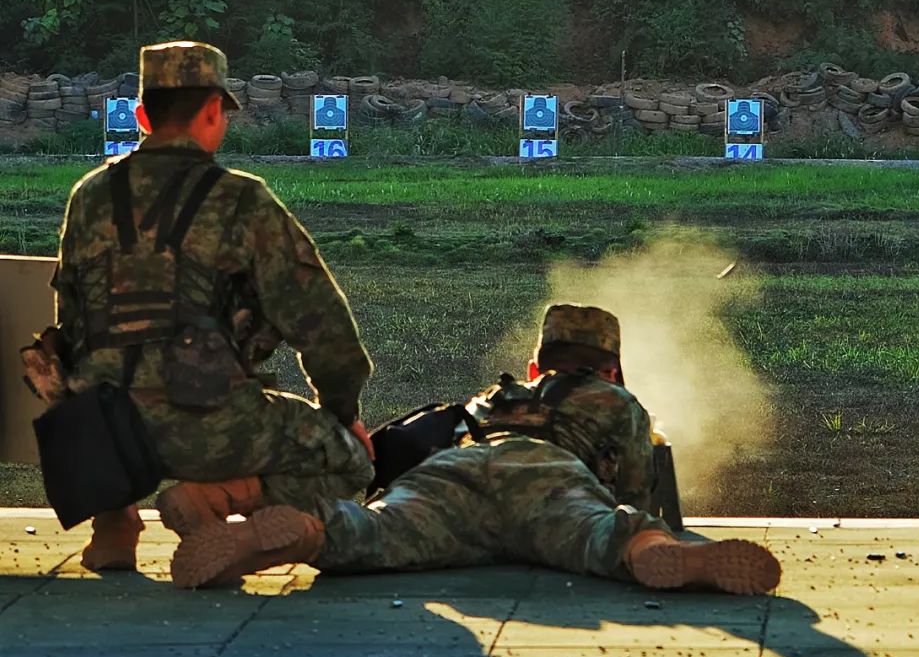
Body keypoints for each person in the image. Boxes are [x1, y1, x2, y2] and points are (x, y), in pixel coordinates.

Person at [170, 303, 781, 597]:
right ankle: (667, 561)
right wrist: (646, 527)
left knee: (373, 533)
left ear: (537, 363)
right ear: (612, 369)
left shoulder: (496, 396)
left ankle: (301, 531)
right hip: (548, 479)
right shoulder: (618, 403)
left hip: (453, 471)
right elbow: (635, 493)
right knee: (614, 532)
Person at [52, 41, 374, 573]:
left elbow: (71, 323)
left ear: (139, 115)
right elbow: (321, 324)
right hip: (206, 427)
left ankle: (114, 518)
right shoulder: (242, 200)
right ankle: (222, 498)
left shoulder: (89, 195)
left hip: (98, 435)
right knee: (348, 459)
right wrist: (344, 414)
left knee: (104, 362)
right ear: (211, 111)